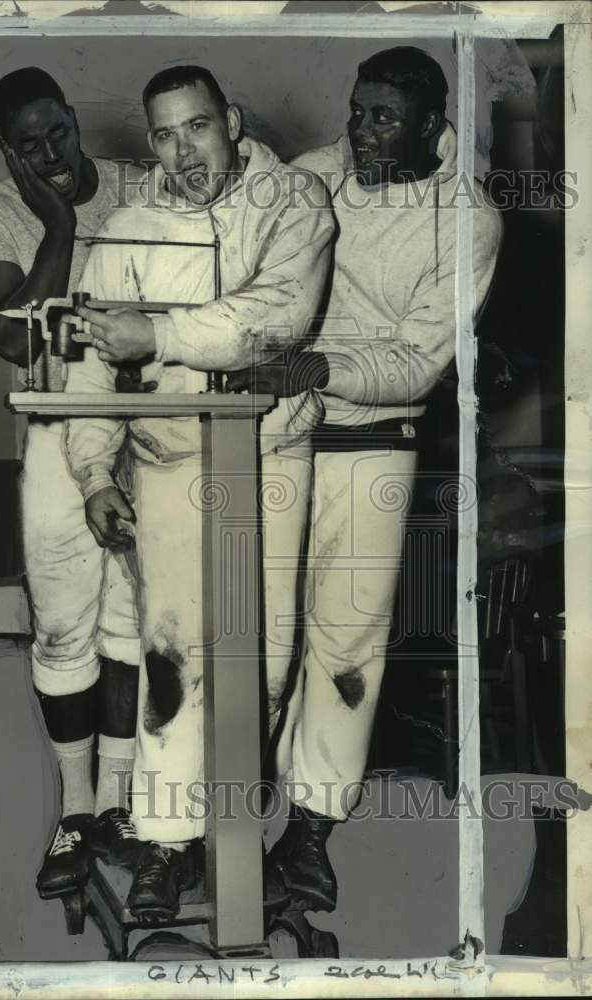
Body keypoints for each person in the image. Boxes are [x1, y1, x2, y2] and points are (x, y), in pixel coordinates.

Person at [227, 46, 504, 912]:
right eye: (355, 112)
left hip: (374, 435)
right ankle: (225, 820)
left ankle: (307, 836)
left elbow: (420, 362)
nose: (360, 132)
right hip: (278, 428)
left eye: (382, 118)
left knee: (345, 645)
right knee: (255, 633)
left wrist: (314, 368)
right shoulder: (317, 176)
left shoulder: (470, 218)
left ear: (430, 124)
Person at [64, 65, 334, 921]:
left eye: (199, 127)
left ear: (233, 121)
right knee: (174, 659)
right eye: (166, 133)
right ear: (150, 143)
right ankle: (166, 843)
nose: (184, 149)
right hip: (173, 465)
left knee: (267, 656)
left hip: (271, 460)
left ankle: (235, 833)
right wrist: (94, 470)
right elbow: (93, 364)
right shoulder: (127, 229)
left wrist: (165, 332)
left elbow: (279, 313)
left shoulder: (292, 201)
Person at [0, 67, 147, 902]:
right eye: (28, 145)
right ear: (7, 148)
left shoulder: (140, 187)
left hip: (151, 425)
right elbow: (18, 349)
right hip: (51, 438)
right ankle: (76, 809)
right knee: (66, 630)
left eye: (59, 133)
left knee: (132, 622)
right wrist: (58, 226)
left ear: (75, 121)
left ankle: (116, 805)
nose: (49, 153)